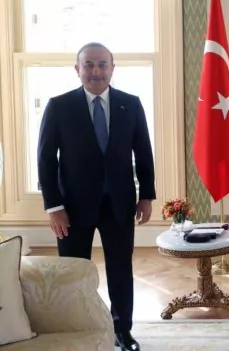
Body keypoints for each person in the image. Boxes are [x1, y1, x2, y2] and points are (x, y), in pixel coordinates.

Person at [37, 42, 155, 351]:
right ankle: (77, 328)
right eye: (88, 64)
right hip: (72, 207)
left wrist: (146, 195)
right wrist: (53, 206)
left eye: (102, 64)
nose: (95, 71)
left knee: (121, 269)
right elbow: (46, 160)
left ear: (112, 68)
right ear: (77, 69)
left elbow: (143, 153)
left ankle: (122, 331)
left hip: (119, 203)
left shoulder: (131, 104)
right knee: (73, 271)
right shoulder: (59, 106)